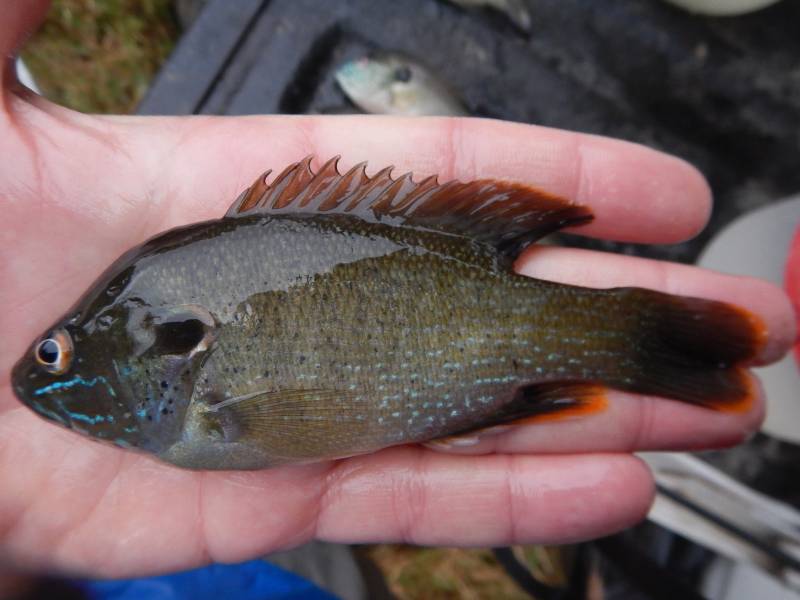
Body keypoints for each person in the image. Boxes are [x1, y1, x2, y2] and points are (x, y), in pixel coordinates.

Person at [0, 0, 793, 581]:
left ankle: (657, 340)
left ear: (163, 339)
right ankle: (679, 349)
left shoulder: (187, 378)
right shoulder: (185, 373)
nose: (46, 370)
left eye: (56, 353)